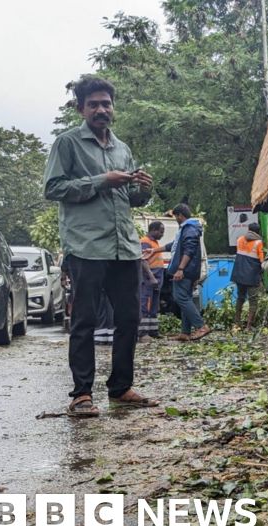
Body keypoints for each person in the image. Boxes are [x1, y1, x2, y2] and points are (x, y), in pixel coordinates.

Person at [43, 74, 160, 416]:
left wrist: (143, 189)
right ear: (81, 108)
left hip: (124, 246)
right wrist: (101, 180)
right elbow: (53, 188)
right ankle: (81, 394)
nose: (101, 110)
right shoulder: (67, 143)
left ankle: (120, 388)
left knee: (129, 318)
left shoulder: (121, 148)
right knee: (85, 320)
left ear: (113, 108)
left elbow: (131, 199)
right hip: (87, 246)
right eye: (93, 104)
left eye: (106, 104)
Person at [164, 203, 210, 341]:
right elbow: (174, 245)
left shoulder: (189, 228)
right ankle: (185, 332)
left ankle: (201, 326)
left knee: (181, 298)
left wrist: (180, 269)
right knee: (186, 298)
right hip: (190, 270)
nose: (176, 220)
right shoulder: (189, 228)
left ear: (180, 215)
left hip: (185, 271)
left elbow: (189, 250)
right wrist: (154, 250)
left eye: (176, 217)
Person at [231, 222, 265, 329]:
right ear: (258, 231)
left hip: (239, 274)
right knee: (253, 301)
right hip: (252, 276)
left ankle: (237, 323)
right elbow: (262, 261)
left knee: (240, 298)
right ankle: (249, 326)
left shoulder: (240, 239)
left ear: (248, 229)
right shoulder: (259, 243)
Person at [138, 221, 165, 341]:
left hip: (157, 278)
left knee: (154, 306)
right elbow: (143, 260)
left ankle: (153, 331)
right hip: (149, 279)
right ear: (153, 230)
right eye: (161, 232)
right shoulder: (145, 242)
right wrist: (151, 277)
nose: (162, 234)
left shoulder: (155, 243)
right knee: (145, 305)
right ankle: (142, 333)